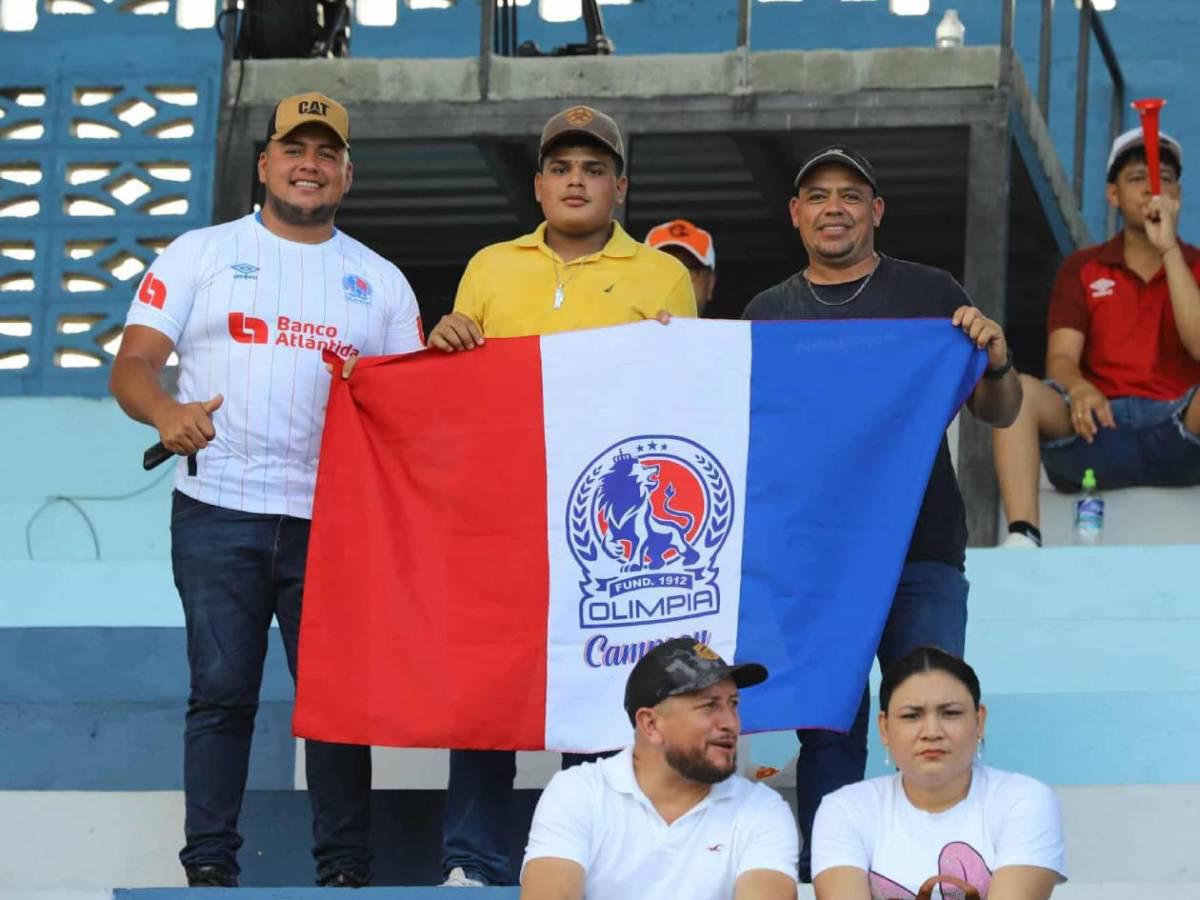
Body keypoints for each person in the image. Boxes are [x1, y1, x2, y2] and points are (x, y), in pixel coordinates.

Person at [109, 92, 424, 887]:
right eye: (294, 149)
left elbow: (413, 407)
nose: (308, 165)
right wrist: (168, 413)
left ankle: (345, 870)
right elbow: (134, 364)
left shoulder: (380, 282)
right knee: (221, 695)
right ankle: (209, 867)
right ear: (265, 164)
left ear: (347, 175)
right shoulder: (198, 252)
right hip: (218, 508)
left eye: (325, 154)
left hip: (333, 520)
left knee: (337, 704)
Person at [411, 104, 697, 888]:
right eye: (563, 169)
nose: (578, 182)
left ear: (620, 187)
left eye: (594, 169)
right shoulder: (490, 266)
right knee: (486, 690)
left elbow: (682, 403)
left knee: (604, 694)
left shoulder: (663, 275)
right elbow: (455, 382)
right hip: (500, 514)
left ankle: (595, 862)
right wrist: (442, 341)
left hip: (604, 533)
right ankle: (470, 861)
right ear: (538, 187)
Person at [741, 144, 1023, 882]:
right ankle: (831, 878)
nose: (835, 207)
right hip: (815, 564)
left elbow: (1000, 409)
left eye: (851, 194)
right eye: (818, 196)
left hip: (920, 551)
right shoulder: (766, 314)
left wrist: (993, 359)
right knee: (830, 731)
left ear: (876, 212)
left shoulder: (932, 295)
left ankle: (933, 873)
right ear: (796, 215)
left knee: (930, 716)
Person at [993, 127, 1200, 548]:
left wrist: (1169, 252)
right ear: (1113, 195)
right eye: (1138, 178)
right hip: (1096, 430)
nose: (1152, 189)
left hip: (1180, 431)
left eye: (1164, 178)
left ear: (1178, 193)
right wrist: (1078, 386)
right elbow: (1062, 359)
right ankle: (1024, 536)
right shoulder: (1083, 268)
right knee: (1020, 390)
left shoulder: (1193, 263)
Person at [520, 638, 798, 900]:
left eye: (733, 704)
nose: (731, 723)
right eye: (709, 706)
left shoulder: (762, 808)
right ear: (651, 725)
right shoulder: (579, 792)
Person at [812, 647, 1067, 899]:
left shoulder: (1023, 800)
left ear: (979, 721)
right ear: (885, 728)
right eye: (912, 716)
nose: (932, 731)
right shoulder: (845, 809)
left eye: (951, 713)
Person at [645, 218, 717, 314]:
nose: (675, 282)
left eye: (688, 271)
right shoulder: (619, 326)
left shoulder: (734, 329)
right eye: (663, 270)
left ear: (710, 283)